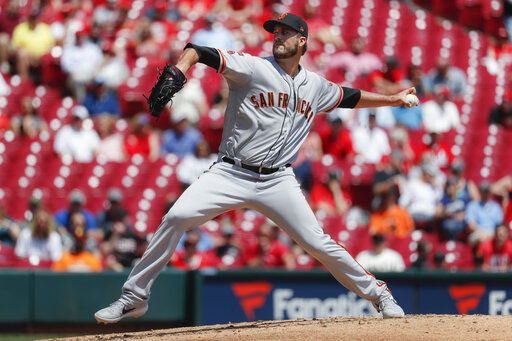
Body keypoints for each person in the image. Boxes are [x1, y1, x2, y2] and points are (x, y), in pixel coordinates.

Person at [95, 12, 415, 323]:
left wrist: (394, 99)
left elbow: (351, 96)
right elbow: (198, 50)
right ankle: (134, 298)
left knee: (317, 241)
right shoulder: (252, 68)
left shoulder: (314, 85)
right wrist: (181, 68)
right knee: (176, 217)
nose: (278, 36)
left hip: (278, 179)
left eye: (286, 32)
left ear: (302, 41)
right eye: (276, 31)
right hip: (231, 172)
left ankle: (379, 293)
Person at [466, 181, 504, 245]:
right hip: (479, 233)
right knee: (473, 238)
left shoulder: (496, 207)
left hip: (493, 233)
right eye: (484, 191)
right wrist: (482, 232)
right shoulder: (472, 205)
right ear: (480, 192)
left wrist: (491, 234)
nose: (486, 194)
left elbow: (499, 224)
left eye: (487, 191)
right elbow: (471, 224)